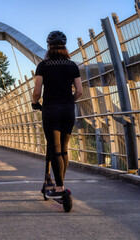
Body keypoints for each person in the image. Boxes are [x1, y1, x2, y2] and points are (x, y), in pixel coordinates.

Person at [32, 31, 83, 199]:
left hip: (51, 110)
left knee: (54, 149)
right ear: (65, 47)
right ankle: (61, 184)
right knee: (64, 149)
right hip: (68, 109)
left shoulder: (43, 66)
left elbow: (37, 91)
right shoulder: (73, 66)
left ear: (48, 47)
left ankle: (59, 188)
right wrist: (70, 100)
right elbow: (80, 91)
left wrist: (35, 103)